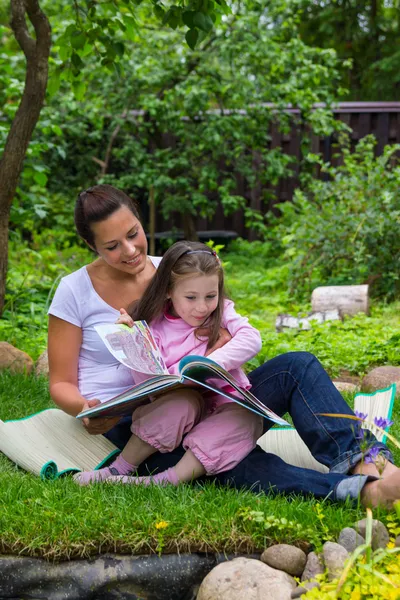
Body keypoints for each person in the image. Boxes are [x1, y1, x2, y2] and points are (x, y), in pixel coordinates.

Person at [48, 184, 400, 508]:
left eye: (133, 234)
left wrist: (219, 347)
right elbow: (60, 383)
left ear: (140, 222)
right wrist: (86, 408)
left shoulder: (177, 270)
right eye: (112, 246)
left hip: (211, 397)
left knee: (297, 366)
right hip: (136, 421)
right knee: (224, 461)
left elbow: (230, 322)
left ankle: (365, 462)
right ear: (91, 245)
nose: (130, 250)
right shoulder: (74, 290)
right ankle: (357, 493)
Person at [74, 240, 264, 486]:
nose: (202, 307)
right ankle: (118, 469)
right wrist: (133, 341)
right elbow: (149, 381)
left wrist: (208, 363)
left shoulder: (224, 311)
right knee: (181, 404)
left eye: (210, 296)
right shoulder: (156, 326)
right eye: (191, 297)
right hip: (177, 410)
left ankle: (167, 480)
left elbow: (252, 339)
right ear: (168, 291)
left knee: (245, 418)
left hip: (222, 407)